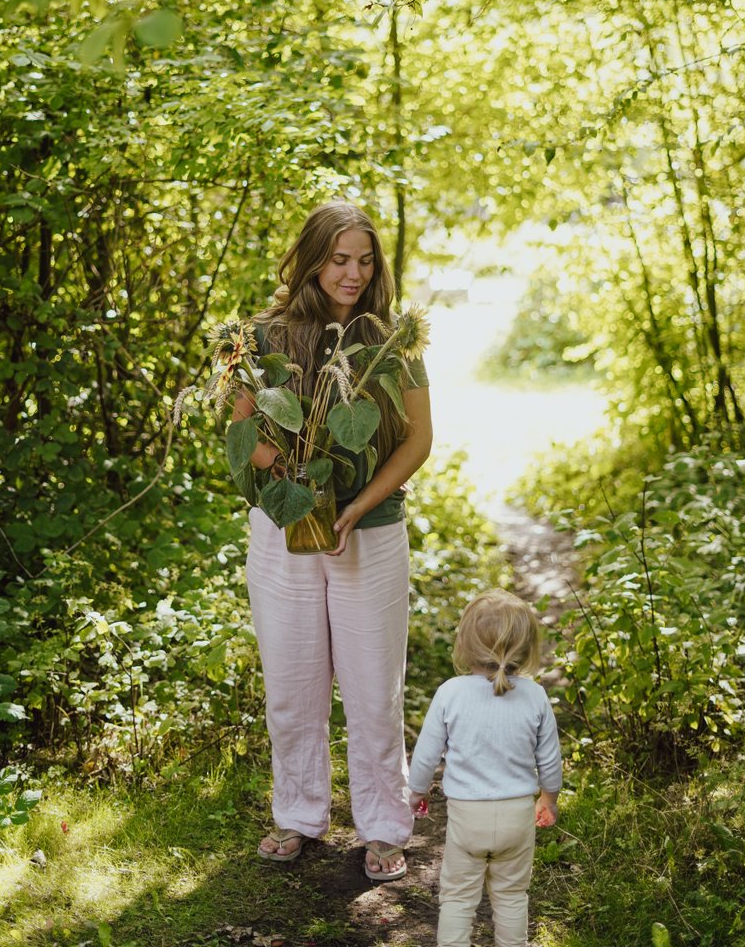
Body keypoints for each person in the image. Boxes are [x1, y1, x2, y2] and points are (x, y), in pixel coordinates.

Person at [232, 200, 432, 880]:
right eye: (340, 258)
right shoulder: (262, 335)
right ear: (313, 256)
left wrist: (353, 508)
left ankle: (383, 826)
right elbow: (242, 435)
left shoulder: (390, 340)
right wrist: (297, 482)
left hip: (369, 534)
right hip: (283, 526)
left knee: (373, 687)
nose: (353, 272)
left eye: (365, 259)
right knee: (292, 683)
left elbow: (417, 440)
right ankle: (297, 814)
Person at [407, 589, 562, 947]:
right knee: (511, 896)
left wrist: (417, 791)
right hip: (517, 817)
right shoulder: (535, 696)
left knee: (458, 898)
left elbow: (427, 754)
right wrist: (548, 799)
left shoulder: (451, 692)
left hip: (467, 818)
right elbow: (550, 759)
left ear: (464, 644)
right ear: (526, 649)